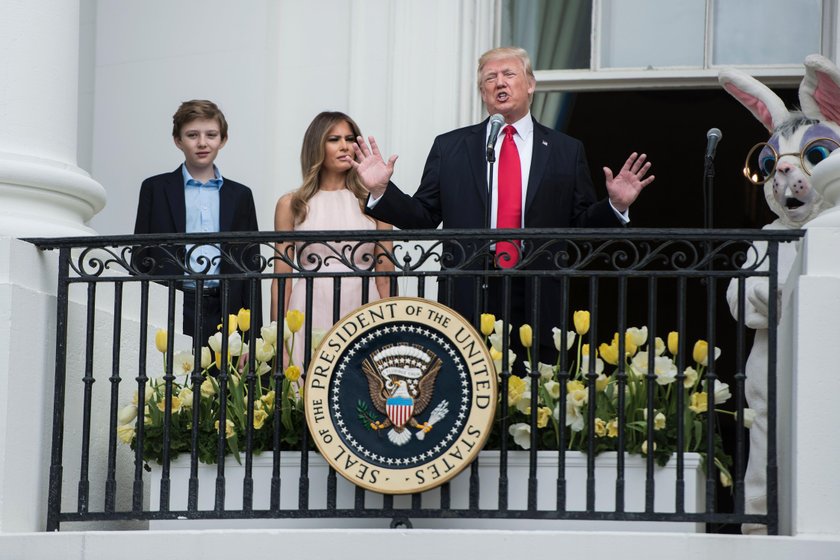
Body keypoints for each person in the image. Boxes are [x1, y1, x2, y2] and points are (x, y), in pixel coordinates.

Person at [352, 46, 654, 367]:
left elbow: (579, 226)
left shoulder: (566, 150)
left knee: (537, 388)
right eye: (490, 78)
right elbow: (422, 216)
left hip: (537, 287)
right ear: (483, 92)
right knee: (469, 383)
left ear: (531, 85)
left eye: (509, 74)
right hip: (469, 286)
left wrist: (614, 206)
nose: (500, 83)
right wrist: (383, 190)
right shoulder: (451, 147)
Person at [133, 99, 261, 346]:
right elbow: (141, 257)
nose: (202, 143)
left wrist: (251, 337)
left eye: (211, 135)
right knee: (171, 379)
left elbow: (251, 264)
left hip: (226, 306)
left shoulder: (240, 195)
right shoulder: (155, 189)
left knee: (222, 381)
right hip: (172, 302)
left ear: (222, 139)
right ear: (178, 140)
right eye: (192, 135)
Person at [271, 111, 394, 365]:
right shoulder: (292, 204)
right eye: (334, 139)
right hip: (308, 306)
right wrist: (277, 340)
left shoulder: (375, 201)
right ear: (317, 145)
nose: (345, 146)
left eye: (350, 138)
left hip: (363, 305)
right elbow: (281, 280)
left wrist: (392, 333)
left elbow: (385, 275)